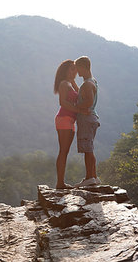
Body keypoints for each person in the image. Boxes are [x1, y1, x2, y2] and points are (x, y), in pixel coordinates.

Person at [53, 59, 88, 189]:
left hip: (70, 120)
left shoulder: (69, 83)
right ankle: (60, 183)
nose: (75, 71)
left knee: (65, 151)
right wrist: (79, 110)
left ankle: (61, 182)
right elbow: (63, 103)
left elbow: (80, 96)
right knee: (63, 151)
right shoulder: (63, 84)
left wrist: (73, 81)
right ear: (66, 70)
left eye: (75, 69)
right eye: (72, 69)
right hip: (64, 119)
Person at [73, 56, 101, 188]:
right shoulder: (93, 81)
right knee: (89, 148)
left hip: (86, 119)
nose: (77, 72)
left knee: (88, 149)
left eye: (78, 69)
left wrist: (77, 108)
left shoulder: (87, 84)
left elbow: (89, 101)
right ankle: (93, 177)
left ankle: (90, 177)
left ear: (84, 67)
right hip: (92, 119)